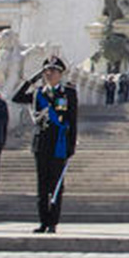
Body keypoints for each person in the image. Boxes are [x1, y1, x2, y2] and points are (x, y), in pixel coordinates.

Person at [12, 55, 79, 234]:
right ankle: (42, 221)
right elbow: (17, 97)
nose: (49, 75)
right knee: (42, 186)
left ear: (60, 74)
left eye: (53, 71)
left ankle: (53, 222)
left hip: (59, 144)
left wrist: (71, 146)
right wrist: (32, 80)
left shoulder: (68, 93)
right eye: (46, 72)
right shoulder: (38, 93)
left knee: (56, 185)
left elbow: (72, 120)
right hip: (40, 144)